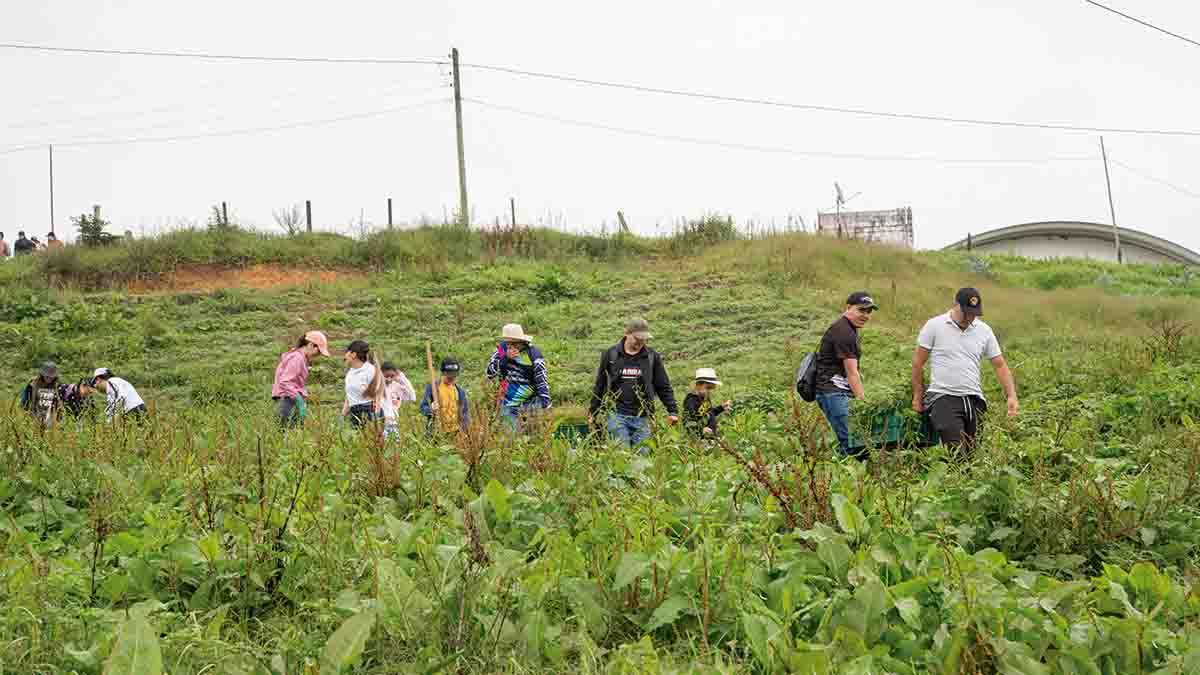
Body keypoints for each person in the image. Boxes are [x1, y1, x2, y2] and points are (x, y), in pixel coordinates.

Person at [911, 288, 1019, 455]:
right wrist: (918, 395)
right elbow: (918, 362)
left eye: (974, 314)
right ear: (955, 305)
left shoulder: (984, 330)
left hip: (974, 400)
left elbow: (999, 365)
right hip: (943, 397)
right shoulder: (934, 325)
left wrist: (1011, 396)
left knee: (972, 455)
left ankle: (958, 480)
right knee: (957, 452)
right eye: (966, 313)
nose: (969, 318)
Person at [588, 318, 679, 450]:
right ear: (627, 334)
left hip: (643, 417)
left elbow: (663, 386)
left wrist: (673, 411)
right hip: (616, 415)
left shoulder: (652, 357)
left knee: (643, 456)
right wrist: (593, 411)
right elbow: (600, 384)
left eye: (644, 340)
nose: (641, 343)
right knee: (621, 454)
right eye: (637, 339)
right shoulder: (611, 354)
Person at [815, 292, 877, 456]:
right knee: (852, 442)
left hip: (838, 391)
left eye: (869, 312)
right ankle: (844, 476)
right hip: (833, 392)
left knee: (853, 441)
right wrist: (863, 401)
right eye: (861, 310)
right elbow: (852, 373)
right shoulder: (844, 332)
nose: (865, 315)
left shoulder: (848, 328)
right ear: (848, 307)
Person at [486, 323, 551, 431]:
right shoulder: (502, 350)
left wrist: (545, 402)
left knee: (534, 436)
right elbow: (490, 373)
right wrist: (505, 358)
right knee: (511, 439)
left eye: (514, 343)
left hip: (531, 403)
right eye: (508, 343)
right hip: (508, 404)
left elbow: (541, 379)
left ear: (521, 342)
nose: (511, 346)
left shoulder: (533, 354)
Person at [271, 330, 331, 427]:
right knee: (290, 434)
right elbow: (285, 381)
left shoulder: (298, 357)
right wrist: (298, 399)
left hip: (288, 400)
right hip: (288, 401)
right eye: (318, 351)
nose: (318, 355)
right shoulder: (297, 358)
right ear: (311, 345)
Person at [420, 358, 470, 435]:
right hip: (437, 434)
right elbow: (423, 407)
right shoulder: (433, 388)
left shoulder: (460, 392)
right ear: (443, 373)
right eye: (449, 375)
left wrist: (465, 430)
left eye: (454, 376)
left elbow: (465, 413)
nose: (452, 378)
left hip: (456, 433)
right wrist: (431, 409)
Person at [342, 340, 384, 429]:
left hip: (368, 411)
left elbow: (379, 393)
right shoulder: (350, 372)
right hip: (354, 413)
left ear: (353, 354)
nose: (344, 356)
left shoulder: (370, 370)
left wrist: (376, 415)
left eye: (347, 352)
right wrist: (343, 415)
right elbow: (349, 396)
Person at [683, 368, 731, 437]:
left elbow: (709, 413)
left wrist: (721, 408)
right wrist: (701, 430)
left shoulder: (705, 397)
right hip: (700, 438)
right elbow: (687, 422)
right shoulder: (691, 401)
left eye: (712, 389)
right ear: (698, 385)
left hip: (711, 436)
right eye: (708, 388)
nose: (710, 391)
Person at [20, 362, 63, 428]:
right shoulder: (33, 384)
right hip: (35, 414)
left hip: (50, 417)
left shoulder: (57, 386)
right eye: (47, 376)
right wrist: (26, 415)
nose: (49, 379)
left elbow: (59, 403)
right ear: (42, 375)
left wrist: (59, 418)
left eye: (51, 377)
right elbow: (25, 401)